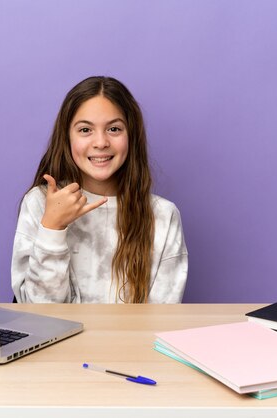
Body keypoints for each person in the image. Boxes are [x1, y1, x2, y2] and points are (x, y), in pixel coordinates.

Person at [11, 76, 188, 303]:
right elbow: (37, 314)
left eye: (114, 129)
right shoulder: (39, 202)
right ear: (67, 138)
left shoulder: (163, 215)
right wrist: (52, 228)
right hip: (60, 340)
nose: (101, 142)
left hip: (132, 340)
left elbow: (162, 317)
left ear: (131, 136)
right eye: (85, 130)